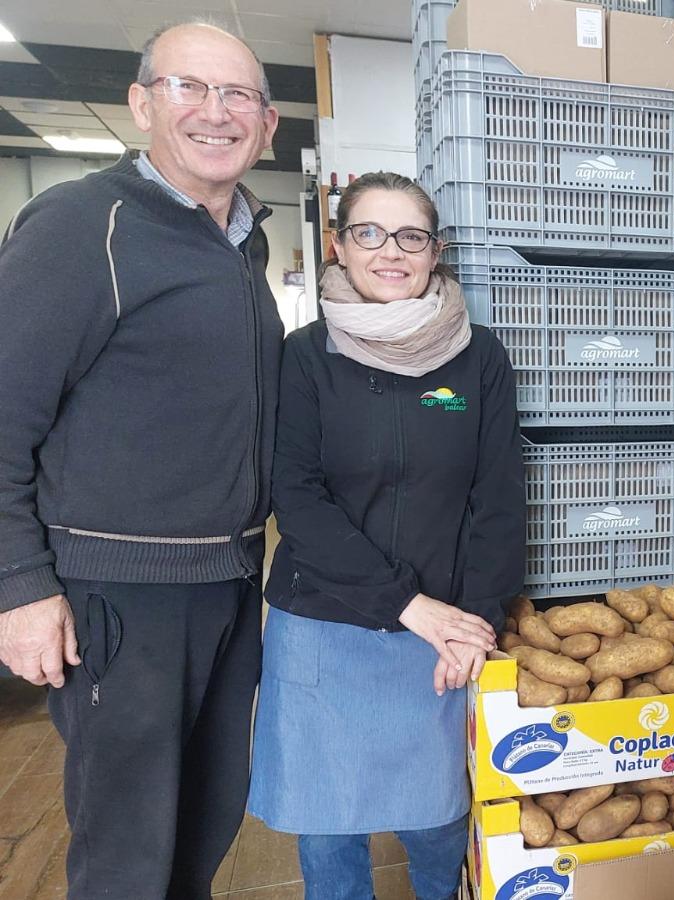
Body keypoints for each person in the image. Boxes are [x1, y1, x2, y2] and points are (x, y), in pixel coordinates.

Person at [0, 21, 281, 898]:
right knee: (129, 842)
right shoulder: (84, 224)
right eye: (189, 87)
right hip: (119, 596)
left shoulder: (242, 239)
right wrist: (18, 585)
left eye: (239, 95)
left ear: (268, 123)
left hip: (226, 580)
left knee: (206, 815)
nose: (216, 112)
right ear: (141, 104)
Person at [248, 171, 523, 900]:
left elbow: (498, 501)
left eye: (411, 236)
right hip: (324, 626)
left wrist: (476, 623)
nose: (390, 252)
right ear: (339, 246)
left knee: (439, 823)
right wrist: (408, 605)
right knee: (329, 831)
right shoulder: (306, 356)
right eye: (369, 233)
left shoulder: (479, 358)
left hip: (443, 636)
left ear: (436, 251)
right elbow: (297, 499)